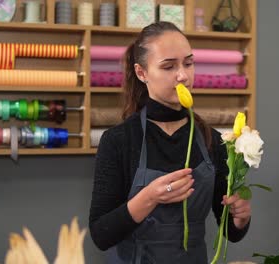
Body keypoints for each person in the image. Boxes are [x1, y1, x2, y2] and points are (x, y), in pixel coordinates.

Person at [88, 21, 251, 264]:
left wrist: (240, 217)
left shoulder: (214, 141)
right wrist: (149, 197)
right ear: (141, 73)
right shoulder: (119, 141)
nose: (183, 75)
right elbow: (100, 235)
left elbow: (229, 230)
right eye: (168, 66)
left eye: (188, 63)